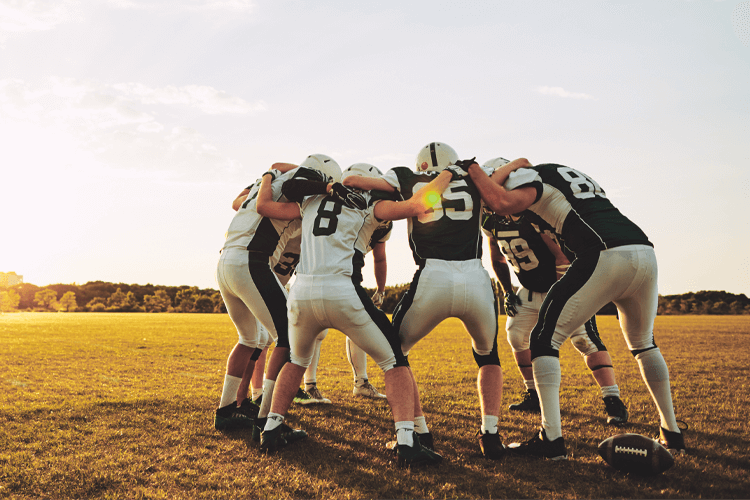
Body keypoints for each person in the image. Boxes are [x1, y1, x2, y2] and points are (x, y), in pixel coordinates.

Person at [463, 157, 686, 459]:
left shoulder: (531, 178)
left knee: (543, 340)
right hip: (643, 251)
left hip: (604, 252)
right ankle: (671, 431)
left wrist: (472, 169)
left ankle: (551, 439)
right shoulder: (564, 175)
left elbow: (501, 201)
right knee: (644, 344)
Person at [255, 162, 460, 467]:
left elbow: (267, 208)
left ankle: (272, 428)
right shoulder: (370, 203)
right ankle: (406, 439)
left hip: (302, 293)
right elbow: (421, 204)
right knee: (394, 361)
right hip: (342, 290)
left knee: (297, 359)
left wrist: (280, 175)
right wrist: (448, 175)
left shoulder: (311, 200)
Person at [343, 143, 518, 460]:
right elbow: (505, 173)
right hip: (476, 276)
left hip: (432, 274)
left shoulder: (406, 176)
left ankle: (420, 431)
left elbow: (366, 182)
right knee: (488, 355)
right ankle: (490, 435)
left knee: (396, 353)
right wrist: (513, 162)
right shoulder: (472, 177)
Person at [480, 163, 628, 425]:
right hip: (528, 288)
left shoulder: (532, 212)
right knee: (516, 334)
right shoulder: (490, 221)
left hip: (561, 284)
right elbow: (497, 258)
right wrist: (506, 291)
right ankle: (533, 393)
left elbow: (561, 256)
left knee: (584, 339)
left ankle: (612, 399)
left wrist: (562, 292)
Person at [213, 155, 340, 439]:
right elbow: (296, 189)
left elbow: (243, 199)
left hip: (225, 262)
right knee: (291, 338)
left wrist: (271, 173)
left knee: (249, 338)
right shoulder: (296, 187)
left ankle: (226, 411)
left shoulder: (268, 181)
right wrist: (326, 188)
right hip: (251, 261)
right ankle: (268, 418)